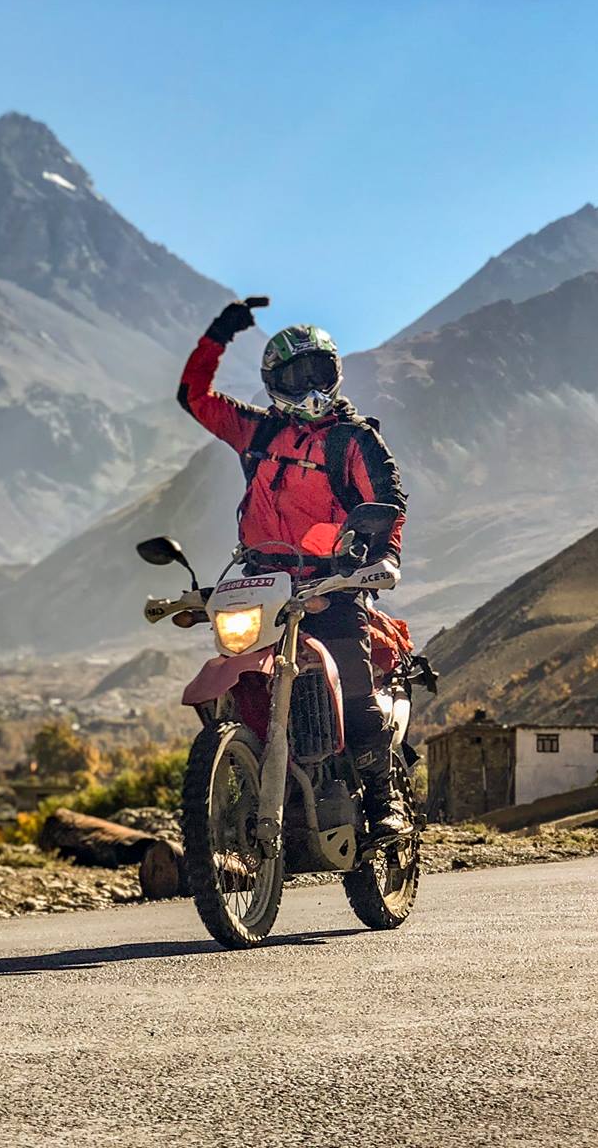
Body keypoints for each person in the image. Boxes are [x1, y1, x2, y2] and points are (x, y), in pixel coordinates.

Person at [176, 299, 410, 837]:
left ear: (334, 373)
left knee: (352, 682)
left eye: (318, 373)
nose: (308, 387)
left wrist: (381, 558)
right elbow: (194, 397)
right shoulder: (257, 433)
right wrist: (219, 332)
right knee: (236, 676)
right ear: (273, 383)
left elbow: (388, 503)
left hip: (332, 582)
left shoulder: (354, 440)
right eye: (294, 376)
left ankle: (382, 803)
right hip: (262, 581)